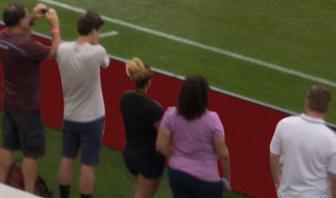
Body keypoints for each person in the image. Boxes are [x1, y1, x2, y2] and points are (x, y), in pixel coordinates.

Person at [0, 2, 57, 193]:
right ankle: (28, 192)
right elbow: (53, 53)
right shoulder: (26, 46)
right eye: (25, 17)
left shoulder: (1, 38)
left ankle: (0, 185)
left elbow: (20, 31)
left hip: (10, 100)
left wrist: (31, 18)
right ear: (19, 22)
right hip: (27, 106)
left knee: (7, 144)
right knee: (31, 153)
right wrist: (55, 27)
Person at [55, 10, 116, 198]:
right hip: (92, 118)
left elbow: (57, 45)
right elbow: (106, 63)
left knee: (67, 158)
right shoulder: (97, 52)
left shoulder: (63, 50)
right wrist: (95, 43)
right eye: (98, 31)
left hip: (70, 115)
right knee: (87, 164)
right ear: (93, 31)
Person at [156, 74, 231, 198]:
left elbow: (160, 146)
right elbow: (223, 154)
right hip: (206, 179)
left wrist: (177, 155)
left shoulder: (171, 115)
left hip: (178, 174)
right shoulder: (212, 119)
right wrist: (227, 179)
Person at [269, 85, 336, 198]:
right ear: (328, 107)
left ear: (307, 102)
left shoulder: (284, 125)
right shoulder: (333, 139)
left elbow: (273, 157)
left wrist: (279, 183)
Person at [118, 58, 166, 198]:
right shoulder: (154, 108)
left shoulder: (125, 98)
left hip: (131, 155)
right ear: (149, 82)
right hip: (148, 160)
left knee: (141, 191)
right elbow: (162, 136)